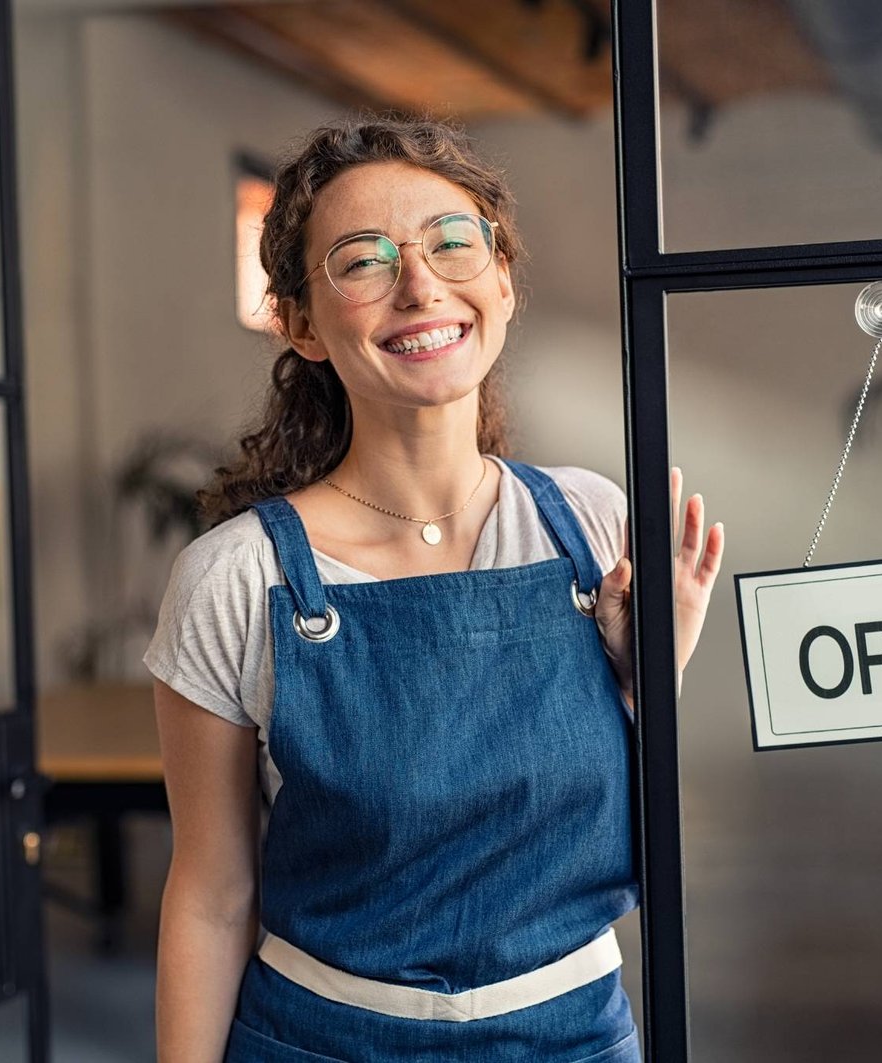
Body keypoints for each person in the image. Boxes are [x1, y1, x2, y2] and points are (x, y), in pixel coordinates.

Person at [143, 116, 724, 1062]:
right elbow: (211, 897)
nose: (421, 286)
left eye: (453, 244)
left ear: (500, 279)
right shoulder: (236, 578)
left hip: (576, 1037)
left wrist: (650, 675)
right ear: (300, 322)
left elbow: (626, 832)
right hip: (321, 1041)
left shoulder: (587, 524)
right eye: (362, 261)